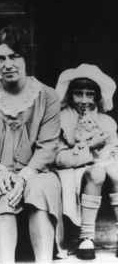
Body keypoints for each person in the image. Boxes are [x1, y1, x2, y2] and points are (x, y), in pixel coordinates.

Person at [0, 25, 64, 263]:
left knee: (40, 190)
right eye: (0, 58)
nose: (7, 64)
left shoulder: (48, 96)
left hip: (37, 170)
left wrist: (24, 176)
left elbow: (48, 147)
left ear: (25, 58)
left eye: (14, 56)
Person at [55, 64, 118, 260]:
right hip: (74, 168)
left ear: (97, 97)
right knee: (96, 173)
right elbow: (58, 157)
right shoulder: (61, 120)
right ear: (69, 95)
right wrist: (88, 147)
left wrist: (105, 149)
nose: (84, 100)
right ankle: (87, 237)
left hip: (103, 162)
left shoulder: (106, 122)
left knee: (116, 171)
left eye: (89, 94)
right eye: (78, 94)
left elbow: (113, 150)